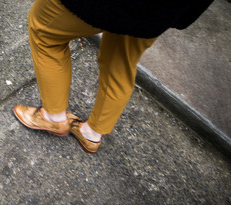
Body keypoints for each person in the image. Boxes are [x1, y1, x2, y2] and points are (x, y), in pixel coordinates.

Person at [13, 0, 213, 153]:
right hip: (164, 7)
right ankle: (91, 134)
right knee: (121, 62)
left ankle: (53, 117)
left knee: (44, 31)